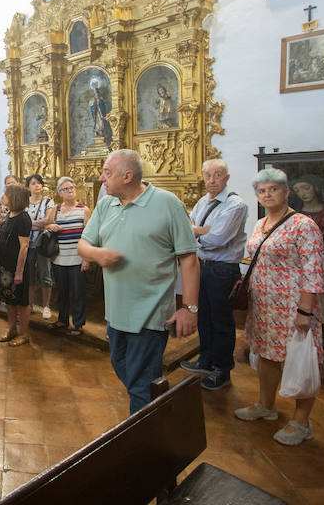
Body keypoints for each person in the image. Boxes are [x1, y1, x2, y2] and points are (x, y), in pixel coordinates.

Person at [78, 149, 199, 415]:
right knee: (129, 373)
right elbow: (83, 243)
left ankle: (145, 444)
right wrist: (97, 254)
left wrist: (189, 308)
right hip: (116, 313)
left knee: (141, 385)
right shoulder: (106, 205)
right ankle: (157, 413)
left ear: (128, 176)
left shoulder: (167, 203)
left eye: (107, 173)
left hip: (151, 314)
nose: (101, 178)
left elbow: (189, 259)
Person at [234, 168, 324, 447]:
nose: (267, 194)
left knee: (300, 360)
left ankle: (302, 421)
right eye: (262, 191)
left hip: (293, 305)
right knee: (266, 355)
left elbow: (314, 270)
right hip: (264, 305)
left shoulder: (303, 225)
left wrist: (305, 311)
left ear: (287, 192)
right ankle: (266, 405)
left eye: (273, 189)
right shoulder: (259, 223)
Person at [181, 159, 248, 391]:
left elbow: (218, 239)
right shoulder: (202, 201)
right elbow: (188, 226)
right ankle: (206, 359)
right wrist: (201, 231)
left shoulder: (235, 205)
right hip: (202, 265)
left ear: (226, 178)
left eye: (217, 175)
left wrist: (197, 232)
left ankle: (222, 368)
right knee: (204, 316)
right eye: (207, 175)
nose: (212, 180)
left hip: (222, 270)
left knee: (221, 320)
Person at [45, 176, 91, 336]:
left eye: (71, 187)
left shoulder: (83, 210)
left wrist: (86, 258)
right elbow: (47, 227)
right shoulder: (55, 210)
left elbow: (89, 236)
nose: (70, 191)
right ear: (60, 192)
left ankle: (78, 323)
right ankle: (63, 319)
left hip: (77, 258)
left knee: (78, 292)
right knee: (62, 291)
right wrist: (51, 226)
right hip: (59, 258)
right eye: (65, 189)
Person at [0, 184, 32, 347]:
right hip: (6, 267)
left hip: (18, 267)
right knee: (9, 300)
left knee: (21, 301)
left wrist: (19, 272)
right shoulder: (10, 214)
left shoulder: (23, 218)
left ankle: (24, 334)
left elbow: (24, 246)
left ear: (15, 198)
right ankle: (11, 329)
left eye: (6, 194)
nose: (3, 197)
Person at [25, 174, 55, 319]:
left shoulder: (48, 201)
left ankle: (46, 306)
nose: (37, 186)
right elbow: (22, 222)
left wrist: (30, 225)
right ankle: (30, 304)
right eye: (33, 183)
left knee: (45, 275)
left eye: (39, 183)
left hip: (42, 243)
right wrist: (38, 224)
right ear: (28, 187)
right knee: (29, 276)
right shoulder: (24, 202)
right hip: (27, 244)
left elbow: (48, 220)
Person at [0, 174, 20, 304]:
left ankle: (13, 297)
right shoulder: (3, 198)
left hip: (15, 238)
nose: (10, 185)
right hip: (3, 236)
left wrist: (3, 220)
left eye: (12, 183)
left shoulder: (20, 199)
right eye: (7, 183)